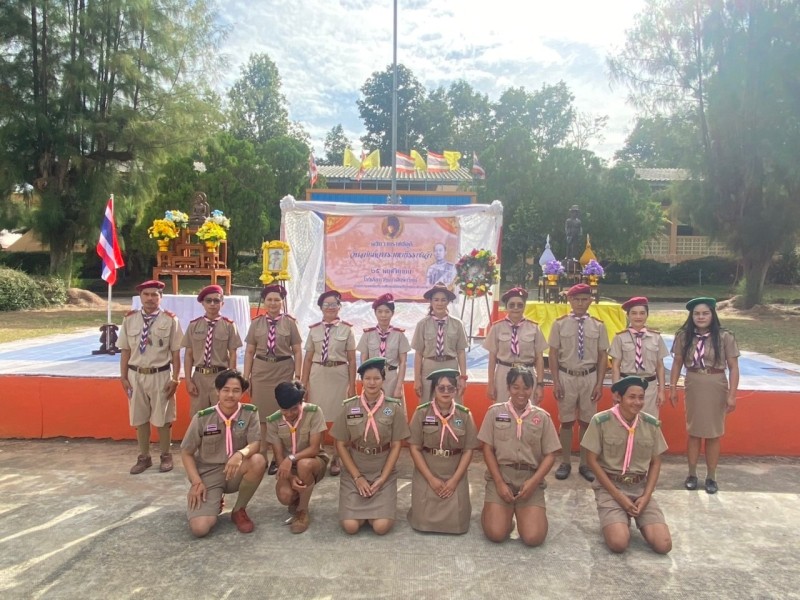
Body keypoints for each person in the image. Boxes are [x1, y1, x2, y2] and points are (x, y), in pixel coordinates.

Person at [581, 376, 672, 554]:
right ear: (618, 397)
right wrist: (619, 496)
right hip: (611, 488)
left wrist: (646, 496)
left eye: (641, 397)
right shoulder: (601, 421)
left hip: (639, 488)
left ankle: (627, 518)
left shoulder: (650, 424)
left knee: (664, 545)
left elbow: (656, 462)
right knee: (618, 543)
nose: (637, 402)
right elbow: (591, 460)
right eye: (632, 397)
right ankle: (616, 518)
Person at [478, 367, 560, 546]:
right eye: (515, 387)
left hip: (530, 479)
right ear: (508, 387)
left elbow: (550, 455)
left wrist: (534, 482)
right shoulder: (494, 413)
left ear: (532, 389)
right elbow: (487, 449)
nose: (521, 393)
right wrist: (499, 482)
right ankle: (503, 516)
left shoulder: (542, 417)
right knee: (496, 533)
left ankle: (522, 514)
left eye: (526, 387)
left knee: (533, 538)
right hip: (502, 476)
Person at [180, 370, 266, 537]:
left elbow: (255, 443)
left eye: (236, 390)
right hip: (209, 473)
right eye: (226, 390)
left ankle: (239, 509)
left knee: (258, 461)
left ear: (242, 393)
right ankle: (214, 500)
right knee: (200, 529)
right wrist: (196, 482)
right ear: (217, 391)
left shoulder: (250, 413)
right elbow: (186, 452)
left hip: (236, 470)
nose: (230, 395)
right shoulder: (202, 417)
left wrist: (240, 454)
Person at [669, 297, 740, 495]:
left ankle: (711, 476)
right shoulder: (684, 336)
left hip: (716, 383)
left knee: (713, 433)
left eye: (705, 313)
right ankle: (692, 474)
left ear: (712, 315)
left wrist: (732, 395)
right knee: (694, 431)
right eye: (697, 314)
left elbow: (734, 367)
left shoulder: (725, 336)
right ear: (691, 316)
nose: (701, 317)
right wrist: (672, 388)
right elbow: (677, 363)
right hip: (694, 383)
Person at [331, 358, 410, 535]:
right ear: (361, 380)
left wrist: (383, 477)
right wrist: (357, 477)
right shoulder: (349, 406)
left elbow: (397, 445)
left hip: (382, 470)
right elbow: (341, 444)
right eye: (367, 378)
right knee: (350, 527)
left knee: (380, 527)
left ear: (383, 380)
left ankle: (375, 511)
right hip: (355, 470)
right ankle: (361, 512)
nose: (372, 383)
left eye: (376, 378)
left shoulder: (393, 407)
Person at [118, 280, 183, 475]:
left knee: (163, 418)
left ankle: (166, 455)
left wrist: (176, 378)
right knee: (139, 417)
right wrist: (123, 377)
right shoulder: (130, 319)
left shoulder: (170, 320)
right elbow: (125, 350)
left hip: (160, 374)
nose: (150, 298)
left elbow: (176, 353)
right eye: (146, 294)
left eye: (154, 295)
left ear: (160, 297)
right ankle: (144, 457)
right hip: (135, 375)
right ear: (140, 297)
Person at [548, 283, 609, 482]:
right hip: (566, 375)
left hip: (589, 377)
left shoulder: (598, 325)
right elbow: (553, 354)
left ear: (590, 301)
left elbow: (602, 356)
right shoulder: (559, 324)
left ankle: (585, 463)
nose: (580, 303)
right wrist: (556, 382)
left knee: (587, 421)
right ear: (570, 300)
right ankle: (565, 461)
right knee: (566, 421)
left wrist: (599, 383)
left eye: (584, 299)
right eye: (576, 299)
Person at [408, 368, 478, 534]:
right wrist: (431, 478)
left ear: (456, 390)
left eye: (450, 388)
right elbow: (414, 448)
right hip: (428, 472)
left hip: (454, 473)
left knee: (457, 523)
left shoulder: (465, 415)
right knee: (422, 522)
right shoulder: (421, 413)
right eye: (441, 388)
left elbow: (468, 450)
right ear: (434, 390)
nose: (446, 392)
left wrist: (454, 480)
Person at [242, 284, 302, 475]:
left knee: (282, 415)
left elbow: (297, 351)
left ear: (282, 302)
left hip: (283, 370)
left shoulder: (290, 323)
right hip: (261, 371)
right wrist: (246, 376)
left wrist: (297, 376)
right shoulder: (256, 323)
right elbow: (249, 351)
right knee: (261, 416)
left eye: (277, 299)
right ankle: (261, 455)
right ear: (264, 301)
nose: (273, 303)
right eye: (269, 299)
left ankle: (279, 457)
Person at [301, 289, 356, 476]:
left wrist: (352, 386)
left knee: (339, 418)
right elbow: (308, 358)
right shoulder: (314, 329)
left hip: (339, 376)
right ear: (321, 308)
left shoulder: (347, 329)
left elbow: (352, 360)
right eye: (326, 304)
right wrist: (303, 383)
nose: (330, 308)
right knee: (318, 417)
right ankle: (320, 454)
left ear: (339, 307)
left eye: (334, 304)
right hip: (318, 375)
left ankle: (336, 457)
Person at [265, 381, 329, 534]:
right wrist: (290, 477)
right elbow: (279, 456)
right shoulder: (273, 420)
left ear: (301, 402)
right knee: (285, 496)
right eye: (284, 410)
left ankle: (302, 511)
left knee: (303, 465)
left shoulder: (314, 412)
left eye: (294, 409)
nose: (289, 414)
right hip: (288, 466)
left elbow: (314, 448)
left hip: (314, 461)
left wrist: (291, 458)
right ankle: (298, 496)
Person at [181, 285, 242, 417]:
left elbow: (233, 354)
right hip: (199, 377)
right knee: (198, 415)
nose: (212, 304)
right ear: (203, 303)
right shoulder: (194, 325)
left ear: (222, 303)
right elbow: (188, 354)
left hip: (220, 376)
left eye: (216, 301)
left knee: (221, 414)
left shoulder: (229, 325)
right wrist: (188, 380)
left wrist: (231, 379)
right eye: (208, 301)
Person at [483, 287, 546, 404]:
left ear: (524, 306)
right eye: (511, 305)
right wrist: (490, 383)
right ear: (506, 307)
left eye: (520, 305)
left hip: (527, 372)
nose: (516, 308)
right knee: (502, 408)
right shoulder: (497, 327)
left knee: (529, 409)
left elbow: (539, 359)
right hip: (503, 372)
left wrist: (540, 385)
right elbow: (492, 358)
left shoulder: (534, 328)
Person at [609, 296, 668, 417]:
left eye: (642, 313)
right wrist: (616, 390)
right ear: (628, 316)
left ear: (647, 315)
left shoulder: (656, 337)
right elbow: (615, 366)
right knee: (626, 420)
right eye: (634, 313)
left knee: (649, 421)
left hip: (649, 387)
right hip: (627, 386)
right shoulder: (620, 337)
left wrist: (661, 391)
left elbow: (660, 366)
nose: (638, 317)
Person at [411, 284, 468, 403]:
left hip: (450, 366)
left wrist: (463, 377)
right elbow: (418, 353)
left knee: (453, 402)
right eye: (436, 300)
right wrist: (417, 379)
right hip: (429, 366)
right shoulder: (422, 324)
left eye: (443, 300)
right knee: (427, 402)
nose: (439, 303)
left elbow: (461, 352)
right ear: (431, 302)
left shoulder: (457, 324)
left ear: (448, 302)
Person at [357, 293, 410, 399]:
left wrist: (398, 387)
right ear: (375, 313)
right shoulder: (367, 334)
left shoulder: (399, 335)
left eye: (387, 311)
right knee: (372, 406)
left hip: (392, 377)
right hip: (373, 379)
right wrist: (365, 382)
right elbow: (363, 360)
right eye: (380, 311)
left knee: (393, 407)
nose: (383, 315)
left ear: (392, 313)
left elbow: (403, 363)